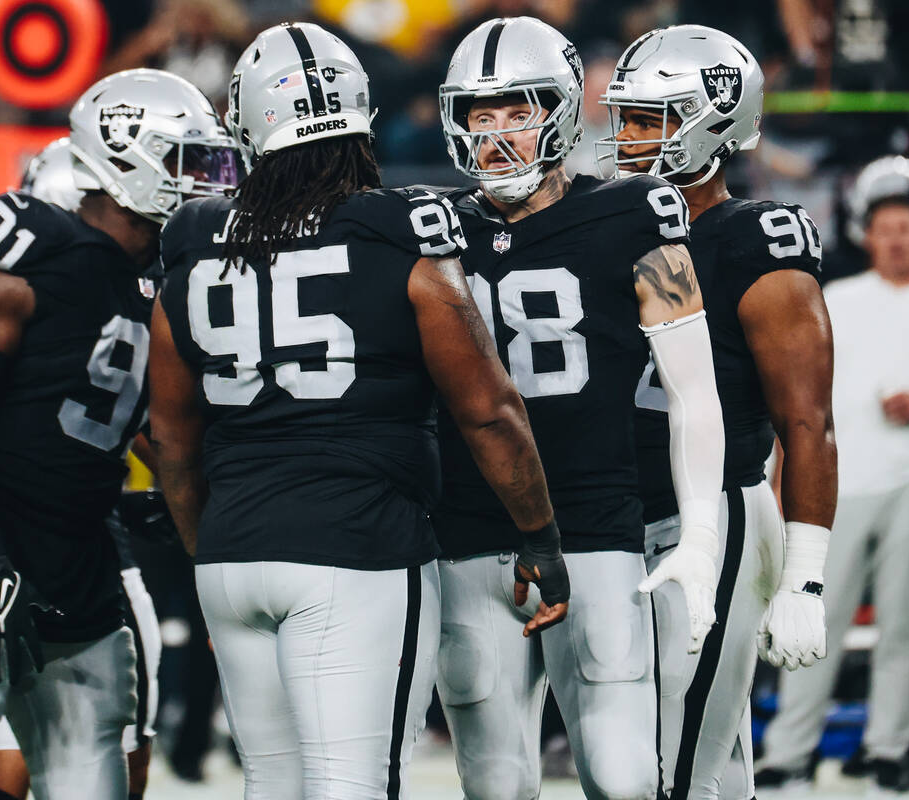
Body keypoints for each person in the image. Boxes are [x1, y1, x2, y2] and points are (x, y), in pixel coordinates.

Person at [149, 21, 571, 799]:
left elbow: (171, 440)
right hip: (358, 548)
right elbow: (487, 410)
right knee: (355, 786)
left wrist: (210, 549)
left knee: (269, 787)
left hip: (234, 556)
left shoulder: (195, 240)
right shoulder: (394, 229)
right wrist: (540, 535)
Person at [0, 69, 238, 800]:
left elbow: (85, 430)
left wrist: (134, 504)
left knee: (94, 779)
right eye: (187, 162)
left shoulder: (160, 276)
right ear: (126, 158)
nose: (203, 183)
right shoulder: (34, 241)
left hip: (77, 560)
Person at [431, 16, 726, 800]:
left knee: (624, 778)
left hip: (596, 525)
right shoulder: (432, 230)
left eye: (518, 112)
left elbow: (696, 390)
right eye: (479, 117)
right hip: (468, 530)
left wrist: (699, 533)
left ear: (560, 113)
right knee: (494, 784)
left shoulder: (634, 213)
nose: (497, 137)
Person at [598, 24, 837, 800]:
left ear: (715, 123)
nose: (628, 137)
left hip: (720, 512)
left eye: (649, 118)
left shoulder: (753, 241)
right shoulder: (623, 229)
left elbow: (807, 422)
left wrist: (804, 578)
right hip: (633, 517)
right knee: (704, 757)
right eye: (626, 117)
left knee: (678, 765)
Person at [0, 139, 164, 800]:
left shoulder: (123, 283)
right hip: (25, 534)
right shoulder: (31, 279)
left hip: (55, 527)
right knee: (98, 741)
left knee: (94, 743)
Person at [756, 156, 909, 791]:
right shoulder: (833, 301)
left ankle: (888, 749)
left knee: (903, 620)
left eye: (906, 225)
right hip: (837, 482)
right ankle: (789, 751)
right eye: (886, 226)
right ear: (865, 232)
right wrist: (778, 477)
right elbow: (800, 401)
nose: (897, 237)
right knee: (811, 617)